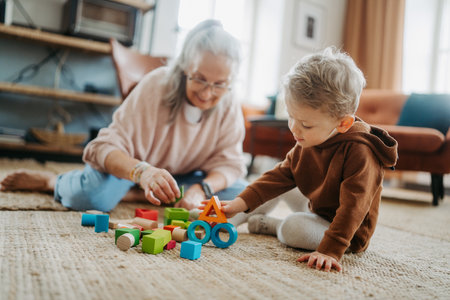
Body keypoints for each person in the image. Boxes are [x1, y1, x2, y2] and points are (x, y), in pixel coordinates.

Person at [0, 20, 248, 212]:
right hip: (132, 170)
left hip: (182, 179)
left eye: (219, 84)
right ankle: (52, 182)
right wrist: (144, 174)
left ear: (231, 82)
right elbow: (102, 148)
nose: (207, 92)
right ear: (184, 67)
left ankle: (137, 195)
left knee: (246, 196)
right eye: (199, 78)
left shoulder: (228, 103)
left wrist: (200, 189)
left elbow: (230, 165)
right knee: (89, 197)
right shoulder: (156, 85)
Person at [217, 47, 398, 272]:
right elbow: (280, 176)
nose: (294, 128)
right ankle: (230, 219)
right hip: (318, 206)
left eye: (306, 124)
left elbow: (354, 207)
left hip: (346, 231)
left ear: (343, 124)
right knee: (277, 183)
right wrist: (239, 203)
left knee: (294, 227)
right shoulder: (311, 137)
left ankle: (275, 226)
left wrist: (330, 250)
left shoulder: (361, 151)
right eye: (291, 117)